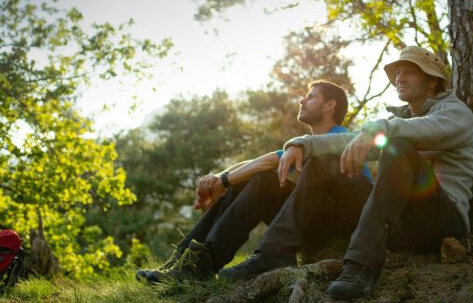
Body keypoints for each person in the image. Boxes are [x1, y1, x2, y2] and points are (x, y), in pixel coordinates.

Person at [221, 46, 473, 301]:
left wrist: (377, 131)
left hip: (443, 218)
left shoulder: (455, 113)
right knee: (326, 161)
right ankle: (272, 255)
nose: (399, 78)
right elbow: (350, 140)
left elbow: (422, 131)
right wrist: (303, 144)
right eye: (397, 72)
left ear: (432, 80)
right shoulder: (401, 122)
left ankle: (360, 267)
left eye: (409, 72)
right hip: (400, 223)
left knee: (396, 146)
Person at [135, 80, 372, 283]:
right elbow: (255, 162)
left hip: (341, 232)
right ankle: (186, 262)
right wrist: (219, 179)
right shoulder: (310, 142)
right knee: (253, 179)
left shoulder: (338, 139)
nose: (302, 101)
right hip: (314, 223)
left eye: (310, 97)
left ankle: (208, 261)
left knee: (264, 178)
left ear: (330, 105)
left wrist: (223, 180)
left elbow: (268, 162)